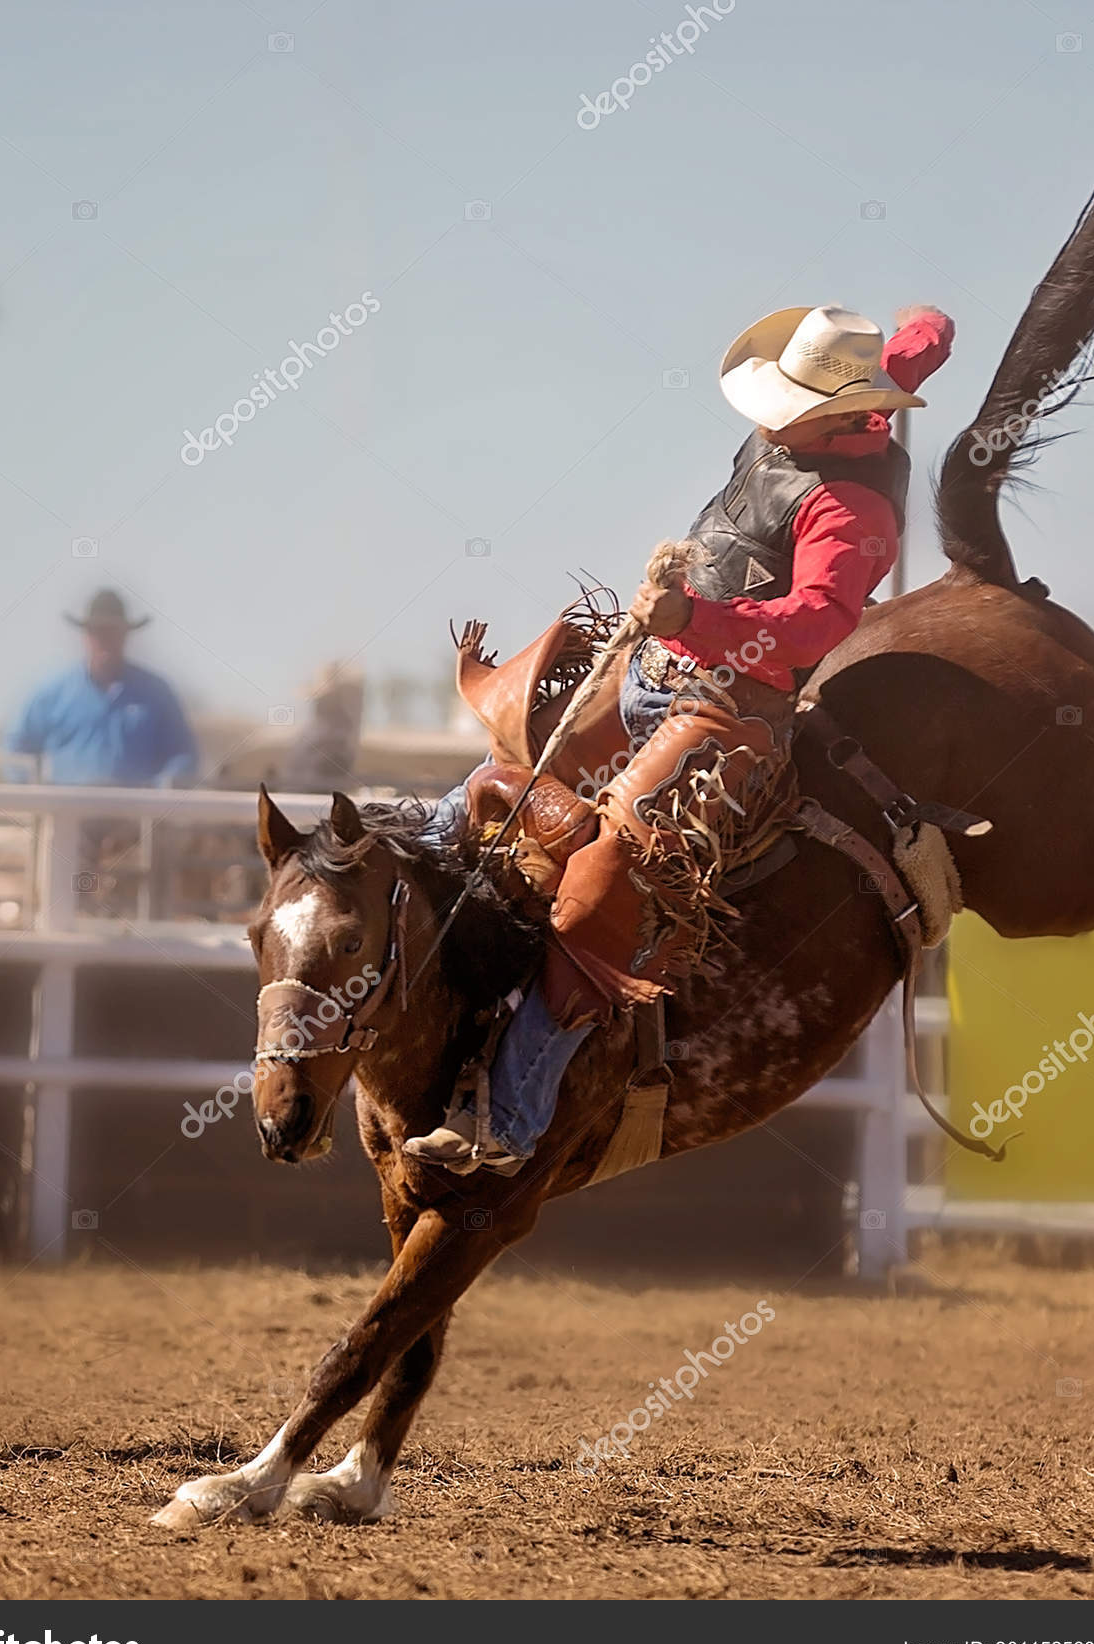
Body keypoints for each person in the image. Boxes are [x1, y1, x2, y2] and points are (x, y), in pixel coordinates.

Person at [405, 302, 955, 1174]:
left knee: (605, 877)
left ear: (839, 412)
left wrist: (692, 616)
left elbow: (813, 625)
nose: (772, 412)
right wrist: (921, 336)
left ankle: (511, 1119)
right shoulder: (839, 423)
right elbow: (908, 357)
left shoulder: (851, 512)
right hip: (657, 670)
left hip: (725, 714)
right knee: (500, 775)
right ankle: (392, 887)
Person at [4, 589, 198, 787]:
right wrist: (36, 793)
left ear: (125, 635)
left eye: (113, 632)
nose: (106, 641)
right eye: (99, 632)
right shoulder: (52, 694)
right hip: (66, 811)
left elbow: (183, 756)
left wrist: (159, 792)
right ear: (85, 636)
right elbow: (17, 748)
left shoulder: (157, 693)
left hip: (137, 812)